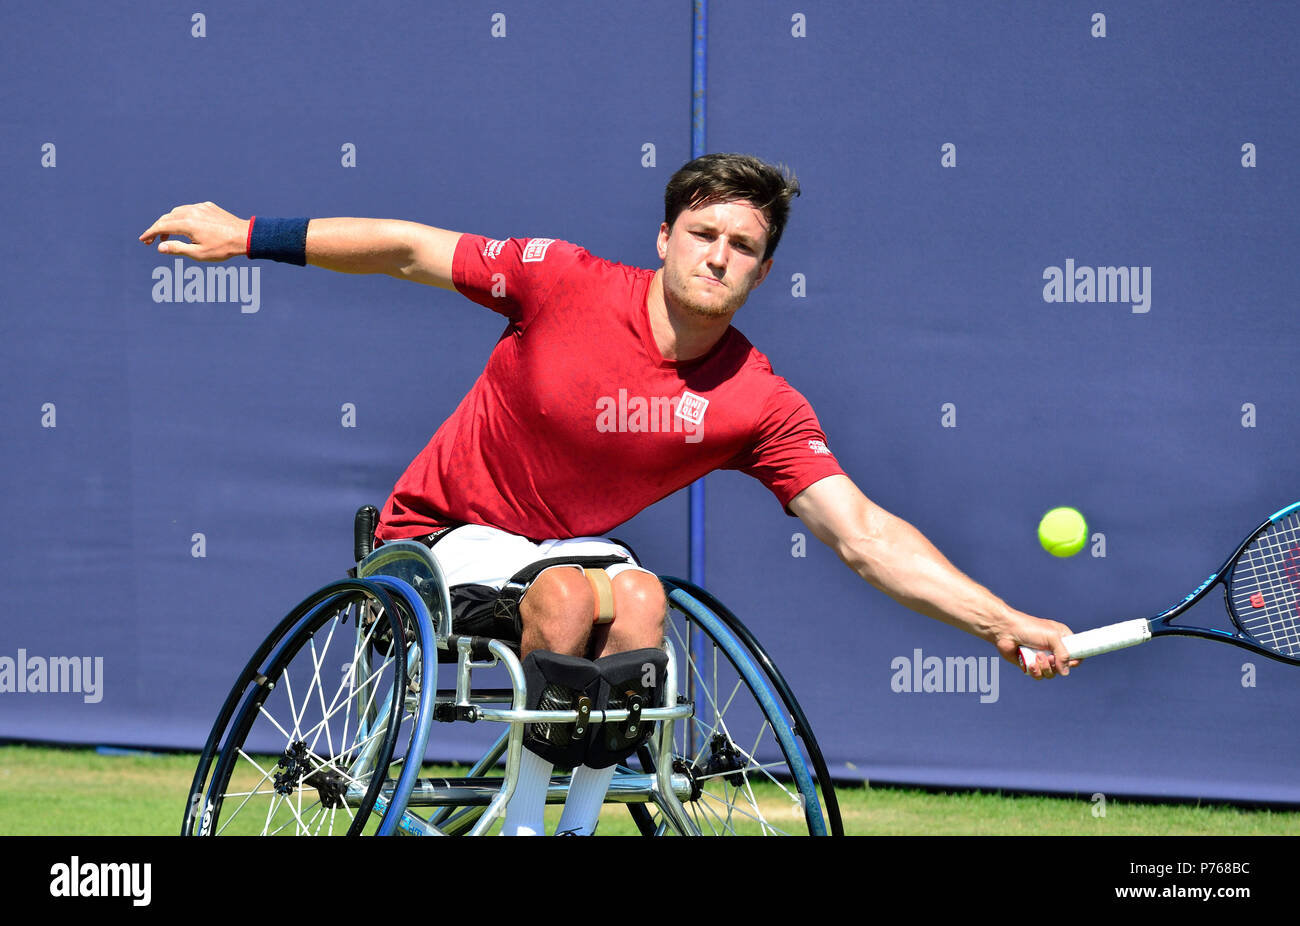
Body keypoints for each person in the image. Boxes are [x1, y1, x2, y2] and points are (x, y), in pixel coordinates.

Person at [140, 153, 1077, 835]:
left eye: (742, 246)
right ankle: (522, 831)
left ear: (763, 270)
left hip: (569, 559)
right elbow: (408, 250)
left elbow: (866, 533)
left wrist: (997, 620)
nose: (718, 255)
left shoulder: (758, 402)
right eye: (703, 234)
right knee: (570, 592)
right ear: (665, 239)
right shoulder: (560, 280)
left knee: (638, 595)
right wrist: (249, 235)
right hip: (442, 535)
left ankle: (572, 829)